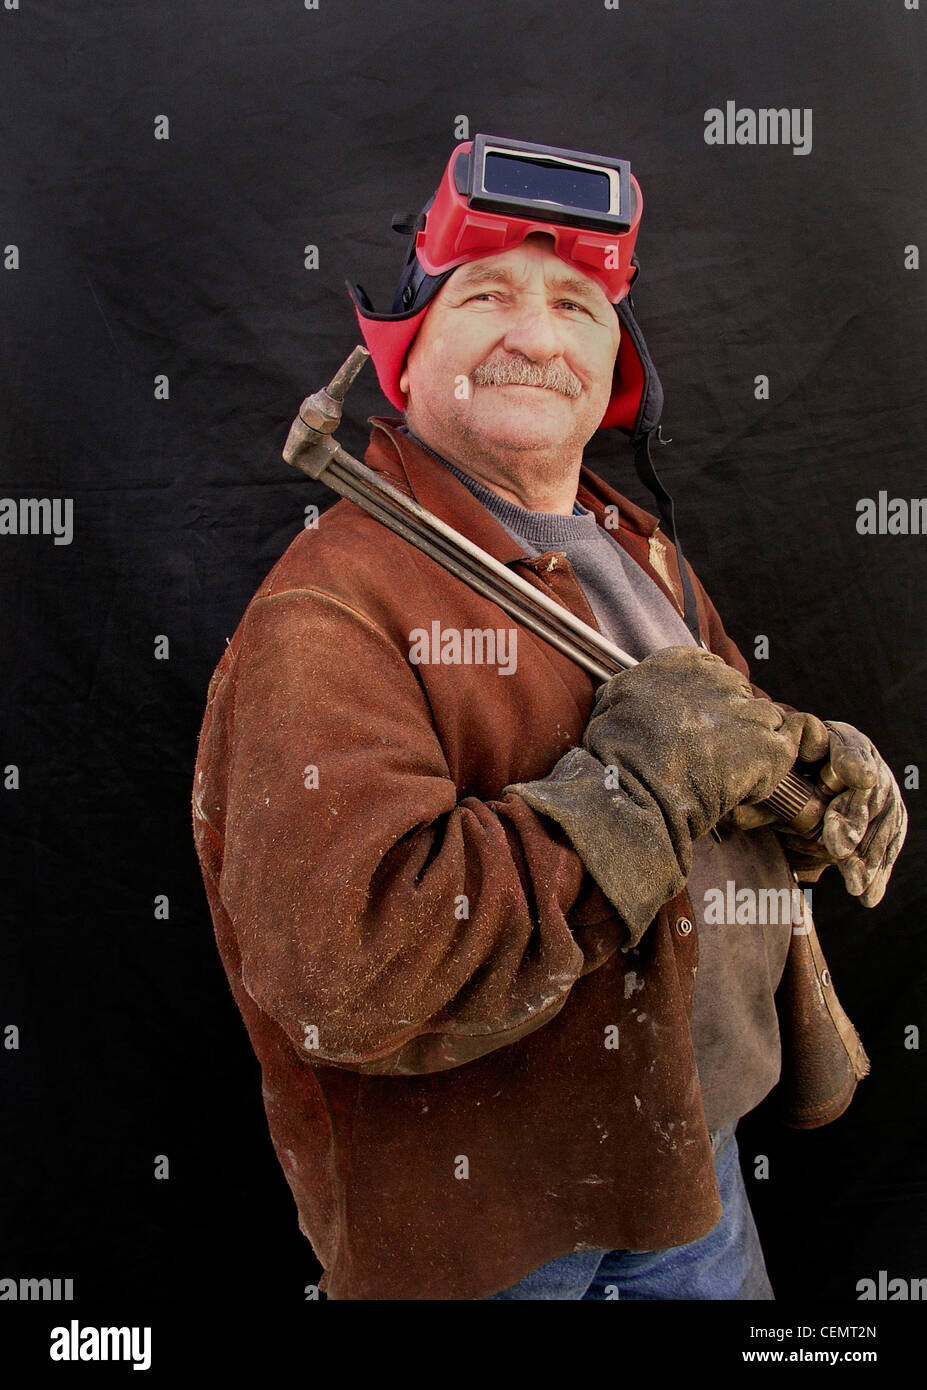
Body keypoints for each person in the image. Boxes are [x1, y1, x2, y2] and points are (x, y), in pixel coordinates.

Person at [191, 135, 907, 1301]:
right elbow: (353, 970)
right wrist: (632, 792)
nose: (537, 333)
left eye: (576, 304)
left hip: (690, 1166)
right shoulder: (329, 611)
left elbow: (714, 725)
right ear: (405, 363)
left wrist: (811, 771)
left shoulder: (631, 546)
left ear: (609, 365)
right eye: (488, 296)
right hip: (491, 1236)